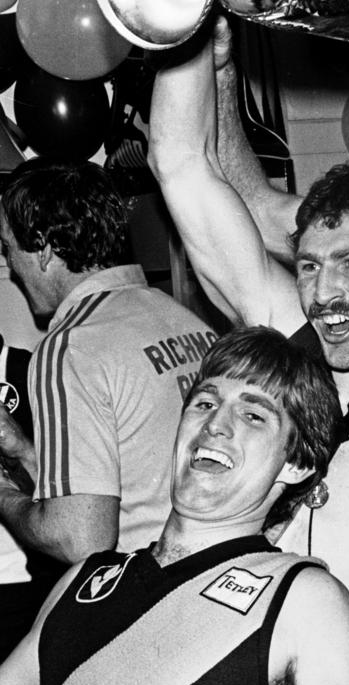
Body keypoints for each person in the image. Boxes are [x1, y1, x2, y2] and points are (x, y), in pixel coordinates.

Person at [0, 327, 349, 685]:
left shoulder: (302, 603)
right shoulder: (84, 580)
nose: (215, 425)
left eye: (253, 415)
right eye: (205, 404)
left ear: (296, 463)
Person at [148, 37, 349, 601]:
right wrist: (185, 31)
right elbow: (180, 164)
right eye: (309, 265)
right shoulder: (294, 342)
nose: (324, 292)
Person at [0, 158, 218, 565]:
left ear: (44, 250)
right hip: (210, 572)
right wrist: (25, 452)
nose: (10, 266)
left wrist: (3, 493)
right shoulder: (186, 320)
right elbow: (122, 479)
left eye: (8, 249)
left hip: (147, 591)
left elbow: (80, 540)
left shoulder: (71, 347)